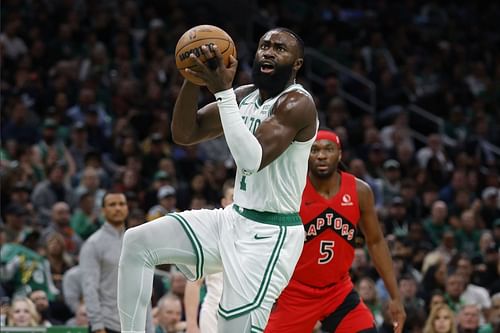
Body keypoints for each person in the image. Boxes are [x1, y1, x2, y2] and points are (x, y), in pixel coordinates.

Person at [118, 27, 318, 333]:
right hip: (232, 219)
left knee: (229, 327)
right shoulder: (245, 95)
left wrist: (222, 92)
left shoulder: (296, 104)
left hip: (270, 235)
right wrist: (192, 79)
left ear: (296, 64)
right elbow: (185, 134)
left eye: (279, 48)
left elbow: (251, 161)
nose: (268, 51)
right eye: (264, 45)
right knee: (137, 243)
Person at [264, 130, 406, 333]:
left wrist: (395, 297)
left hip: (338, 291)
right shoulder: (292, 191)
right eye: (314, 150)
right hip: (295, 292)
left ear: (339, 154)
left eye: (328, 149)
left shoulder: (360, 191)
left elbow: (375, 242)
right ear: (305, 154)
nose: (321, 155)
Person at [80, 192, 154, 333]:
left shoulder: (136, 243)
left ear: (127, 208)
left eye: (121, 204)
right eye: (112, 205)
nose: (118, 208)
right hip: (107, 324)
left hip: (136, 325)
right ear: (103, 210)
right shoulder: (93, 244)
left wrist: (149, 327)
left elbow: (144, 289)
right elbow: (89, 288)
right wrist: (97, 326)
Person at [184, 180, 234, 333]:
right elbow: (194, 282)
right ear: (224, 202)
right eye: (232, 198)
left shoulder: (256, 235)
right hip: (214, 313)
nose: (237, 203)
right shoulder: (211, 235)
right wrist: (191, 324)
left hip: (245, 312)